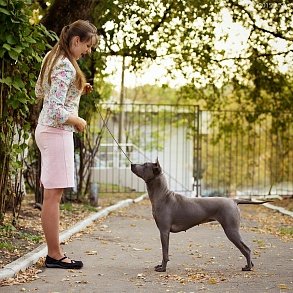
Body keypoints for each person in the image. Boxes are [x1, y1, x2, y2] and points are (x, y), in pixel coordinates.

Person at [35, 20, 99, 269]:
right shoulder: (66, 66)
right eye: (87, 46)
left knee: (52, 194)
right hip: (56, 132)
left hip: (46, 131)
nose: (88, 51)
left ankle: (54, 252)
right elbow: (53, 109)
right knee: (53, 196)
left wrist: (76, 91)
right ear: (76, 41)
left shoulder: (53, 56)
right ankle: (54, 255)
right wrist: (77, 120)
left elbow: (42, 91)